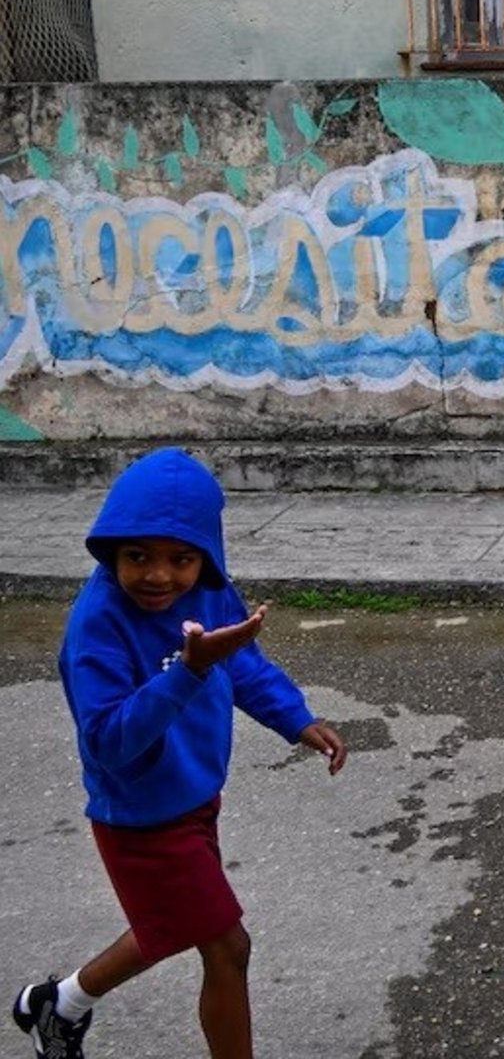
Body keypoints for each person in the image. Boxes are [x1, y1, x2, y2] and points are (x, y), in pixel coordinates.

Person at [13, 448, 348, 1059]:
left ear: (205, 556)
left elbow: (241, 660)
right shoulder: (97, 625)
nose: (158, 576)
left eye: (180, 559)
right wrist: (187, 672)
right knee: (227, 945)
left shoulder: (208, 592)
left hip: (196, 796)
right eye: (137, 556)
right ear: (110, 549)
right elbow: (109, 742)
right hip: (140, 815)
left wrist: (295, 718)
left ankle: (58, 1005)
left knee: (167, 927)